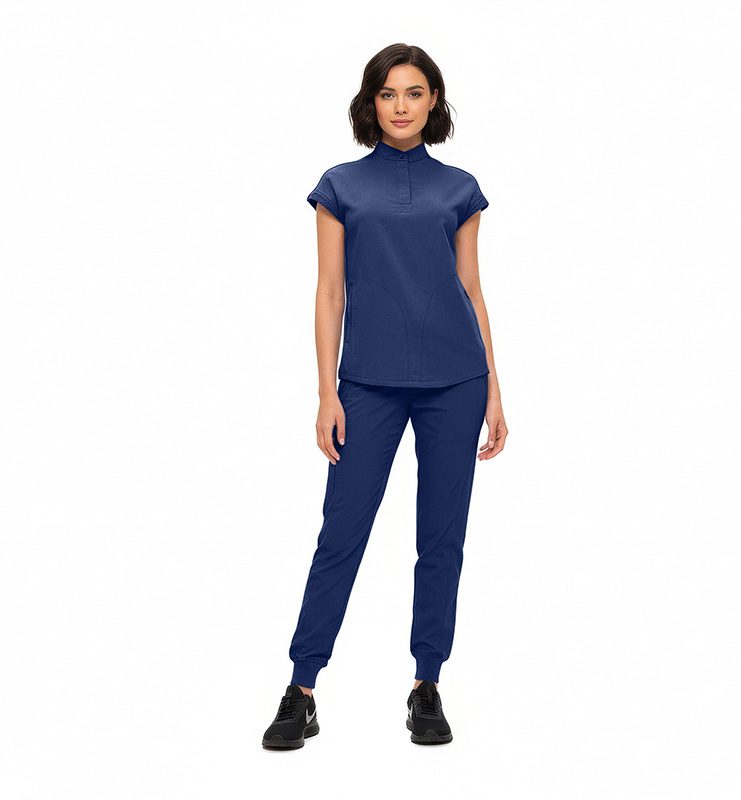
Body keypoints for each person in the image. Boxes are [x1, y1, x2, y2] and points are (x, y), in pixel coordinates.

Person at [262, 43, 508, 750]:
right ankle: (301, 687)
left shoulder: (460, 188)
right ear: (371, 103)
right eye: (389, 93)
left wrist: (494, 388)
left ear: (435, 102)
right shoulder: (339, 186)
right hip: (367, 385)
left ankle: (427, 683)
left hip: (456, 382)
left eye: (415, 92)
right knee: (341, 534)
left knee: (442, 537)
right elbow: (329, 293)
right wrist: (326, 392)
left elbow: (471, 290)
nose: (402, 106)